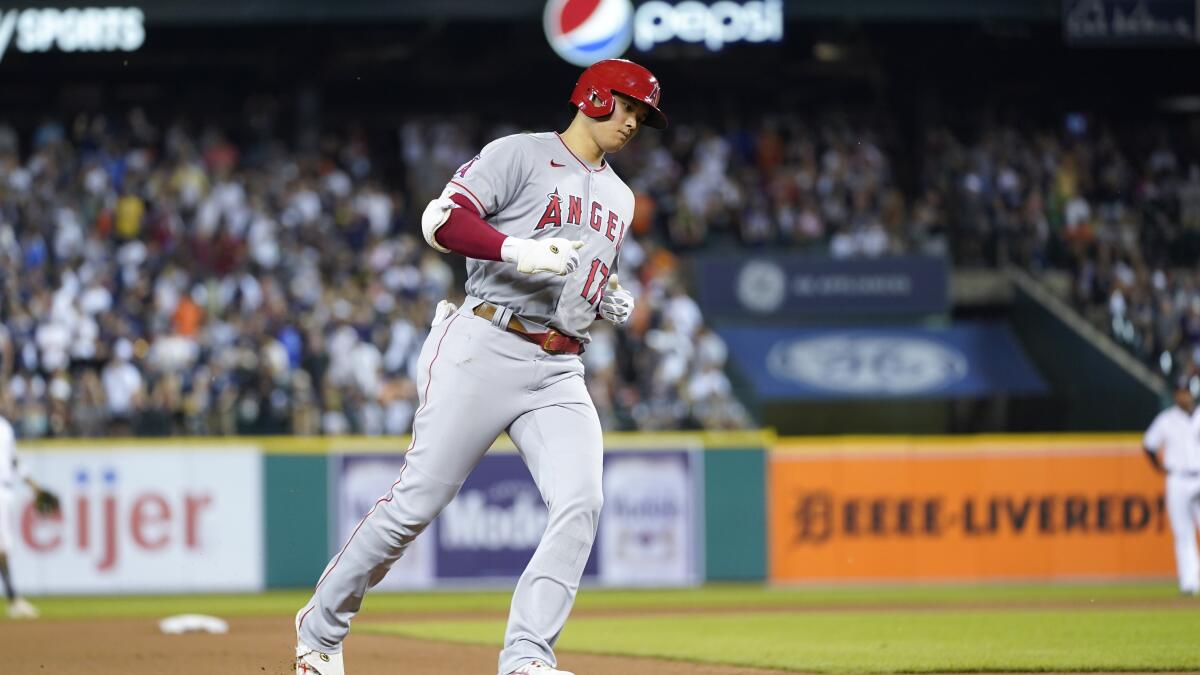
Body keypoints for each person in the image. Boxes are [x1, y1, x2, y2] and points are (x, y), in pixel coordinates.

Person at [295, 58, 666, 675]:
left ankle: (526, 656)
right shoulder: (520, 154)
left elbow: (576, 273)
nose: (633, 124)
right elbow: (439, 221)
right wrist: (512, 246)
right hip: (484, 341)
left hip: (558, 369)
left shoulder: (621, 198)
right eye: (628, 108)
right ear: (595, 97)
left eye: (642, 117)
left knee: (581, 500)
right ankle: (320, 630)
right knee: (416, 503)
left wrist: (604, 295)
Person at [1143, 374, 1200, 595]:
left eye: (1184, 391)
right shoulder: (1166, 419)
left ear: (1192, 393)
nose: (1181, 396)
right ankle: (1189, 583)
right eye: (1178, 392)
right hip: (1177, 478)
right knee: (1183, 533)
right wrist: (1159, 467)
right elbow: (1148, 445)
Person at [0, 399, 56, 619]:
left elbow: (14, 463)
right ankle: (14, 599)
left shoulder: (4, 427)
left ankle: (14, 599)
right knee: (2, 547)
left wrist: (37, 489)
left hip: (5, 490)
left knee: (3, 547)